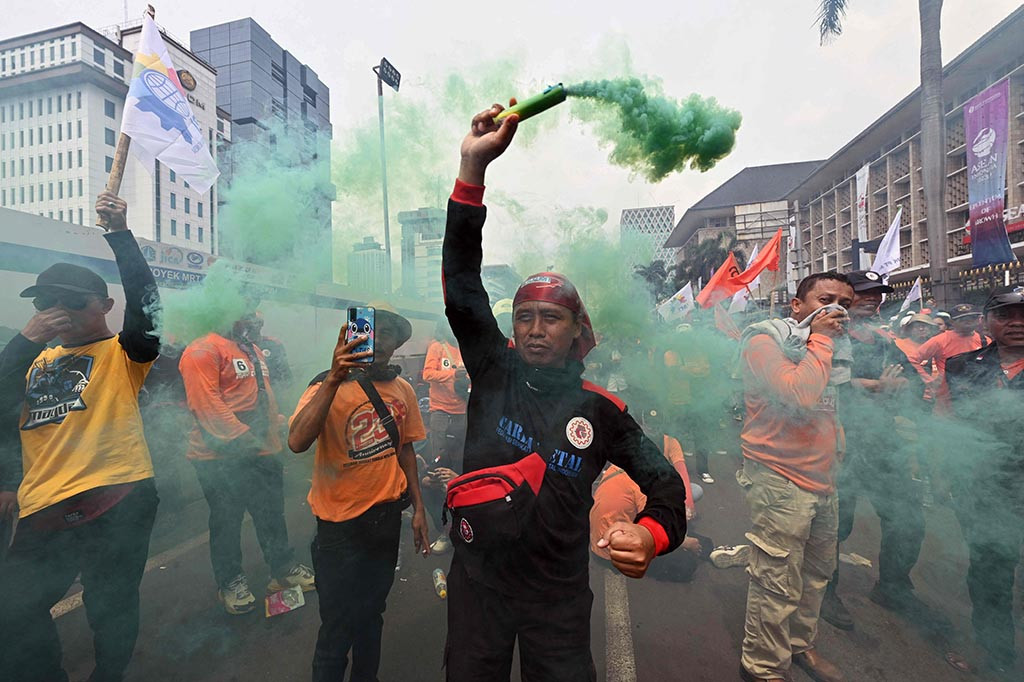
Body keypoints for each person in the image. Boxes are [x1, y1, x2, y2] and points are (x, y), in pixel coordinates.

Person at [442, 102, 687, 681]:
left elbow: (667, 487)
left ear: (578, 329)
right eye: (524, 316)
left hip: (557, 597)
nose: (534, 329)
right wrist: (472, 170)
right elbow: (462, 285)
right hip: (478, 585)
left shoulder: (604, 411)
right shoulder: (494, 369)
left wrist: (649, 535)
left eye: (550, 318)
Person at [0, 192, 160, 682]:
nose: (58, 311)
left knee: (110, 605)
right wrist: (26, 341)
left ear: (106, 306)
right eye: (45, 302)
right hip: (43, 504)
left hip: (116, 496)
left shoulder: (123, 352)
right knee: (13, 612)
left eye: (73, 302)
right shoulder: (34, 358)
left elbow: (148, 308)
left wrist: (120, 234)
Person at [288, 302, 429, 682]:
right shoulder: (325, 385)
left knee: (371, 615)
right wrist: (335, 376)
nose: (378, 341)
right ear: (352, 336)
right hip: (339, 527)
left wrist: (418, 508)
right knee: (337, 626)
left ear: (398, 344)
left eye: (388, 334)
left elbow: (406, 449)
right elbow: (297, 441)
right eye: (369, 331)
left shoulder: (402, 390)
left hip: (385, 521)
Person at [736, 271, 852, 682]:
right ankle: (763, 666)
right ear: (797, 306)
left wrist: (837, 443)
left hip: (823, 479)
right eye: (825, 299)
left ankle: (801, 645)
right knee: (777, 580)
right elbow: (799, 394)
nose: (837, 310)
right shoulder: (764, 341)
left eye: (845, 303)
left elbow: (826, 401)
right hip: (780, 479)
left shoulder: (831, 346)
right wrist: (822, 338)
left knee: (816, 575)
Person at [179, 312, 314, 615]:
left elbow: (254, 396)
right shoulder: (203, 349)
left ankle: (283, 569)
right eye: (248, 312)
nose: (256, 320)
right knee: (227, 520)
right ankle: (230, 581)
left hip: (262, 450)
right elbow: (207, 405)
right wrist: (249, 440)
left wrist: (276, 423)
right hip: (220, 457)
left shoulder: (250, 349)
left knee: (271, 514)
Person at [819, 271, 927, 632]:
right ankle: (824, 590)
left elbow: (912, 383)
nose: (872, 300)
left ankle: (893, 587)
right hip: (837, 442)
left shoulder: (883, 342)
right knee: (834, 523)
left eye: (877, 294)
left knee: (907, 518)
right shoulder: (823, 338)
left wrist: (899, 386)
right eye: (863, 293)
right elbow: (809, 388)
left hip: (882, 443)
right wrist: (864, 385)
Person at [946, 286, 1024, 677]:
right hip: (984, 491)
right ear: (986, 321)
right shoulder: (960, 366)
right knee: (990, 577)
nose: (1017, 323)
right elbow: (951, 422)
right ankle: (998, 660)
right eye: (1006, 315)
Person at [421, 319, 468, 554]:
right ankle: (445, 529)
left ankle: (462, 522)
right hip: (441, 414)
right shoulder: (437, 347)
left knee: (461, 468)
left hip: (464, 414)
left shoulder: (466, 347)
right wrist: (452, 374)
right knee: (439, 470)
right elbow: (427, 374)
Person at [909, 304, 985, 412]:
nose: (968, 321)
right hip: (947, 403)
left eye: (972, 318)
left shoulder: (985, 340)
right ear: (952, 322)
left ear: (979, 319)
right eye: (962, 319)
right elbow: (912, 359)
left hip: (978, 401)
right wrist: (928, 380)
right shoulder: (940, 340)